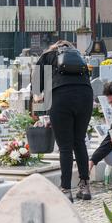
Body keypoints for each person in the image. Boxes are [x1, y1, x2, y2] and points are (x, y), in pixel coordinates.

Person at [33, 40, 93, 202]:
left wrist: (40, 106)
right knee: (79, 141)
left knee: (65, 146)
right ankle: (85, 186)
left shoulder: (47, 56)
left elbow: (37, 87)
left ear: (54, 47)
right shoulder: (78, 57)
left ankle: (66, 189)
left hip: (61, 97)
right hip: (85, 96)